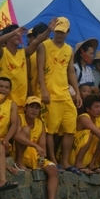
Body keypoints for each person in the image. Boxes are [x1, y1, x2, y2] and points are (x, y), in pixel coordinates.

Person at [37, 17, 81, 167]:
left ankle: (65, 161)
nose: (59, 34)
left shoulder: (69, 49)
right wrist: (43, 89)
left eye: (62, 32)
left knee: (70, 128)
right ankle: (53, 159)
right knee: (50, 130)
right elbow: (40, 68)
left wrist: (77, 92)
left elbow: (71, 72)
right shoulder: (44, 45)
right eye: (57, 31)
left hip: (65, 93)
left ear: (68, 32)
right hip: (50, 92)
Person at [14, 96, 66, 199]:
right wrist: (35, 145)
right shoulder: (19, 118)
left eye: (37, 108)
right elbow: (16, 136)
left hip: (35, 155)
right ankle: (18, 162)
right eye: (31, 106)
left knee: (53, 171)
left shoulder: (40, 123)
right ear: (25, 108)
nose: (34, 110)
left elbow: (42, 148)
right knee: (25, 130)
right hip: (20, 152)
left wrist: (41, 163)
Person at [0, 21, 54, 113]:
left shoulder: (24, 53)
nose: (18, 35)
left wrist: (48, 30)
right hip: (4, 104)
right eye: (14, 34)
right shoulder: (1, 53)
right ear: (7, 37)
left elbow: (37, 41)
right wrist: (14, 32)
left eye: (19, 34)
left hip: (21, 105)